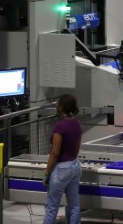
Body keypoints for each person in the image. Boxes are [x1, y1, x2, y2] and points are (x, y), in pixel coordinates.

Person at [43, 94, 83, 224]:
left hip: (61, 169)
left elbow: (55, 152)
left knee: (52, 207)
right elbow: (77, 148)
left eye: (57, 104)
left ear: (61, 107)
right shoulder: (77, 125)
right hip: (75, 166)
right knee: (74, 206)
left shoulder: (60, 127)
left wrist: (47, 172)